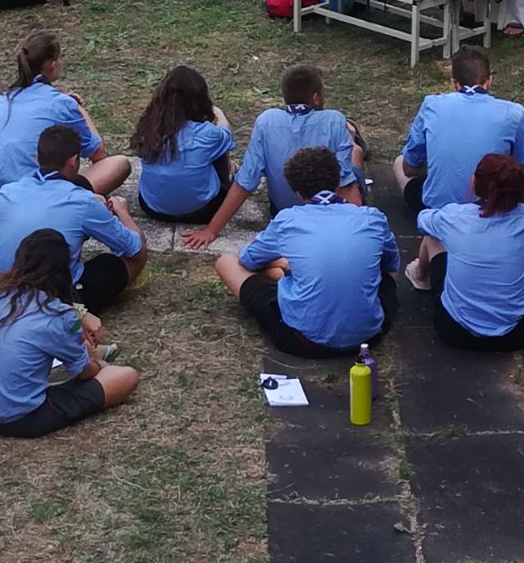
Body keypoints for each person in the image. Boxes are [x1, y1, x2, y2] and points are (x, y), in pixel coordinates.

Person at [394, 46, 524, 283]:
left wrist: (441, 166)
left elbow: (409, 166)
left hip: (445, 216)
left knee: (400, 161)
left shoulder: (432, 105)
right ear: (489, 81)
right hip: (497, 213)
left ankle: (423, 274)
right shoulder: (513, 113)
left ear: (454, 83)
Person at [214, 147, 401, 357]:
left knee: (226, 262)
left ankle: (288, 274)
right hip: (368, 337)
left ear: (297, 192)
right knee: (385, 267)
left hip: (303, 340)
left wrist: (276, 263)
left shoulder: (288, 221)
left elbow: (249, 260)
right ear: (338, 181)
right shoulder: (372, 218)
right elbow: (391, 266)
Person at [0, 229, 140, 438]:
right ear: (63, 270)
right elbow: (85, 373)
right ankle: (98, 359)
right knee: (126, 376)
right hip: (19, 418)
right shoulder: (58, 316)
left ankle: (93, 355)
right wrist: (99, 365)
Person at [185, 63, 365, 249]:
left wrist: (212, 230)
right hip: (330, 214)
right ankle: (352, 132)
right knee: (356, 152)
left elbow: (245, 182)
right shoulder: (334, 120)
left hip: (283, 211)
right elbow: (346, 183)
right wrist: (356, 229)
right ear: (316, 98)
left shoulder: (266, 121)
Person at [0, 29, 130, 211]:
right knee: (119, 164)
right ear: (53, 65)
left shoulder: (4, 98)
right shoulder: (61, 103)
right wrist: (79, 109)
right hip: (31, 202)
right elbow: (98, 153)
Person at [0, 125, 147, 309]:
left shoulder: (7, 193)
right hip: (54, 299)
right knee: (127, 258)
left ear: (37, 157)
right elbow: (134, 248)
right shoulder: (83, 202)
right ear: (74, 161)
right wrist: (122, 212)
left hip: (5, 291)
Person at [416, 154, 524, 351]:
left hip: (456, 331)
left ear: (474, 182)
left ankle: (420, 277)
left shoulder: (452, 217)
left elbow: (422, 221)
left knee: (433, 236)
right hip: (519, 333)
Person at [131, 65, 237, 224]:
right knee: (219, 147)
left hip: (152, 208)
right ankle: (228, 172)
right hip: (204, 211)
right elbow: (226, 134)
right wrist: (216, 111)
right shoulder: (207, 134)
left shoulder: (149, 129)